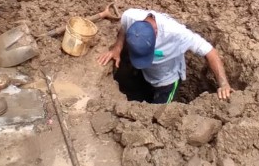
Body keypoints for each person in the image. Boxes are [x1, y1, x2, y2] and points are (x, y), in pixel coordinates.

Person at [97, 8, 234, 103]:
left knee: (160, 113)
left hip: (167, 80)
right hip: (146, 74)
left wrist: (223, 83)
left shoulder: (177, 34)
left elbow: (211, 52)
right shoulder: (130, 16)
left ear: (156, 33)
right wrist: (117, 48)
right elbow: (124, 27)